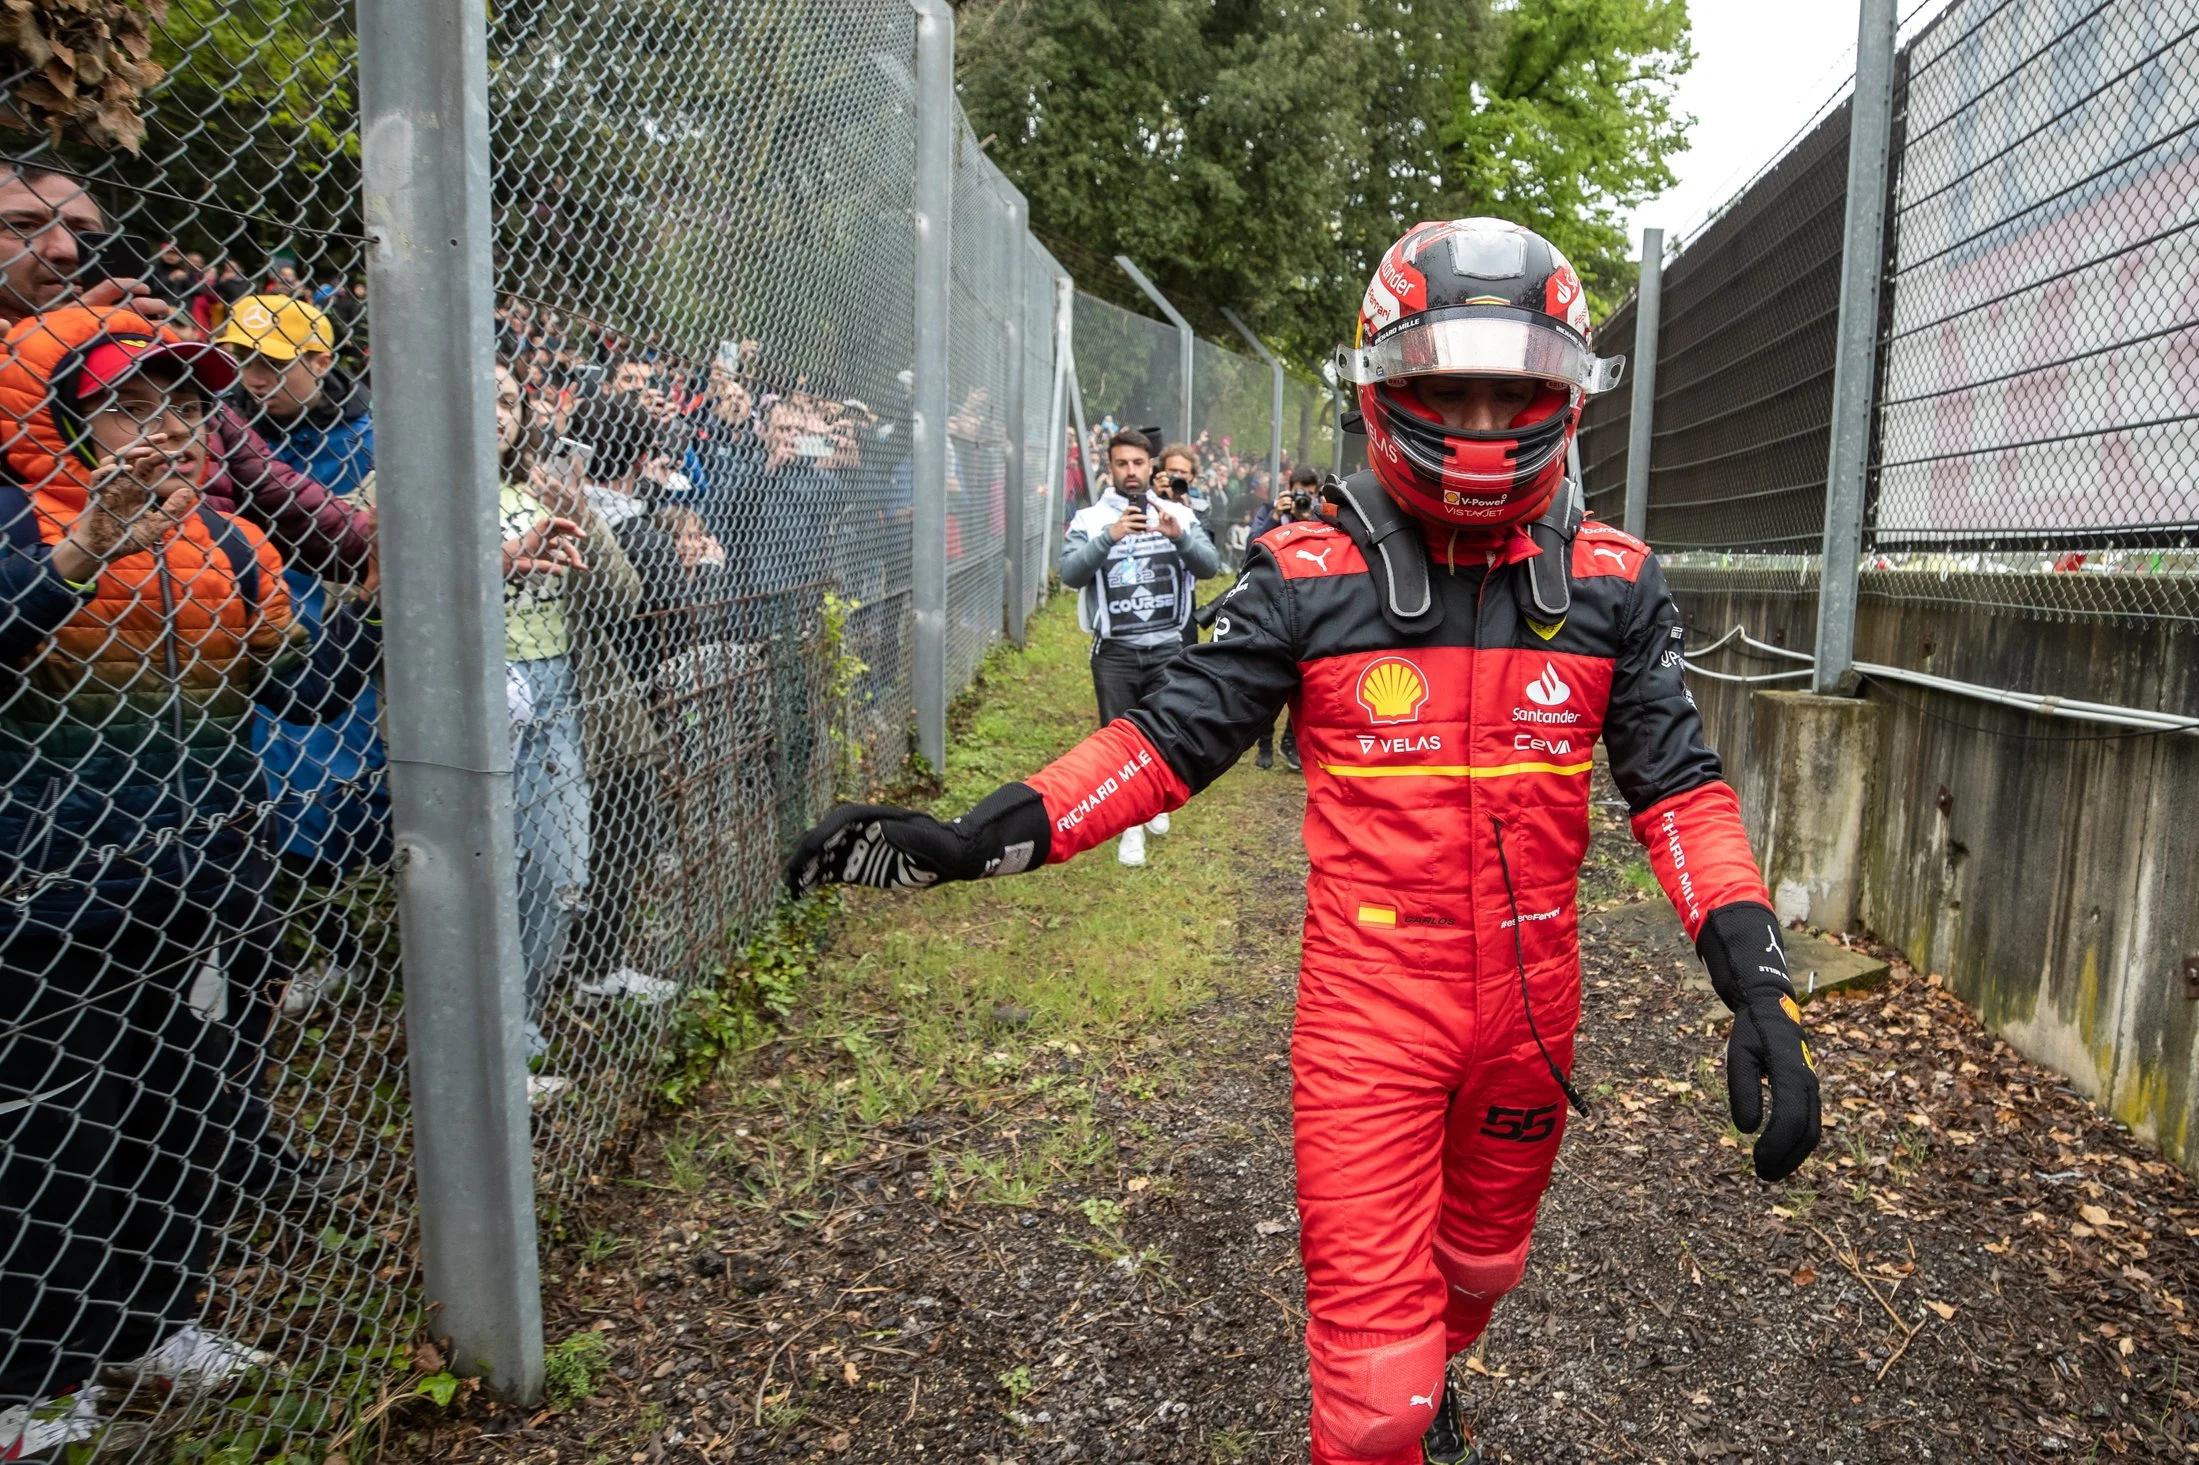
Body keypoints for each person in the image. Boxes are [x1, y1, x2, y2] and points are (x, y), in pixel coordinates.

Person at [786, 219, 1820, 1465]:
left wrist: (1757, 987)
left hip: (1537, 1013)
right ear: (1388, 387)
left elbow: (1680, 788)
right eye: (1451, 388)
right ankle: (1407, 1401)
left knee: (1482, 1270)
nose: (1485, 423)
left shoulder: (1615, 582)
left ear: (1566, 397)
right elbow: (1162, 740)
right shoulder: (1303, 572)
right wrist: (974, 839)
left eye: (1515, 392)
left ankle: (1444, 1375)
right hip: (1369, 1016)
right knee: (1375, 1403)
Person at [0, 307, 382, 1451]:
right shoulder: (17, 517)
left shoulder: (228, 542)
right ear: (72, 415)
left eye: (183, 404)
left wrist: (373, 598)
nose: (163, 427)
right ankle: (30, 1378)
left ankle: (157, 1321)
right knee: (51, 1137)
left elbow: (302, 696)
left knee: (187, 1110)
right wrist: (82, 555)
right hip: (50, 898)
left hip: (205, 886)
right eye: (132, 402)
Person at [218, 293, 385, 1015]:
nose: (254, 377)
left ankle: (380, 936)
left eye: (272, 363)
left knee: (350, 795)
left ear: (321, 361)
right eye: (244, 360)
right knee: (271, 803)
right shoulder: (219, 435)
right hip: (253, 634)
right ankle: (325, 946)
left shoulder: (373, 434)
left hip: (351, 637)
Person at [1056, 427, 1221, 867]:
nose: (1131, 472)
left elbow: (1211, 567)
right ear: (1109, 467)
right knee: (1119, 743)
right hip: (1115, 652)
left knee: (1165, 736)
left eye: (1138, 463)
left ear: (1152, 467)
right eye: (1122, 464)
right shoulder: (1091, 520)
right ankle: (1130, 827)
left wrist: (1179, 537)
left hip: (1168, 646)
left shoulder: (1177, 513)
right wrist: (1109, 537)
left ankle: (1151, 807)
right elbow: (1069, 574)